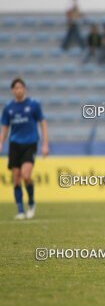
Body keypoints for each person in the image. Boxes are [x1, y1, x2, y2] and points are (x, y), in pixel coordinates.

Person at [0, 78, 49, 220]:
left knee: (26, 176)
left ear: (24, 89)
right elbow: (5, 128)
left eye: (21, 87)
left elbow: (43, 124)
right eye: (16, 88)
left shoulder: (33, 105)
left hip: (30, 143)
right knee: (16, 179)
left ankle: (31, 203)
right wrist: (1, 142)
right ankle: (20, 209)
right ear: (12, 90)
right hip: (15, 144)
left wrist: (45, 144)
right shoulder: (8, 108)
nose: (18, 90)